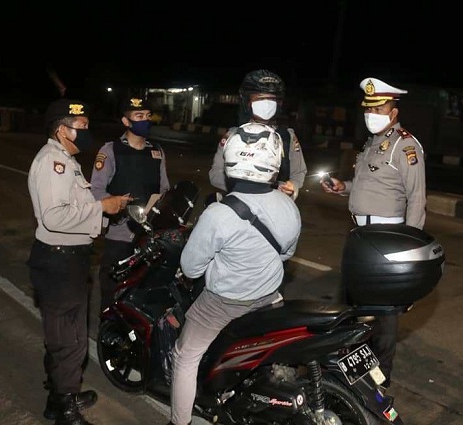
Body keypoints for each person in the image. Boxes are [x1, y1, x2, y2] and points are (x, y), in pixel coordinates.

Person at [168, 122, 302, 425]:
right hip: (269, 297)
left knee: (185, 355)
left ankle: (179, 422)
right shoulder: (289, 206)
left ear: (230, 157)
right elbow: (286, 254)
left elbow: (191, 268)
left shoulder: (218, 213)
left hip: (223, 304)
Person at [27, 98, 132, 425]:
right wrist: (101, 208)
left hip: (69, 261)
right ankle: (65, 409)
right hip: (58, 262)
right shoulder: (52, 163)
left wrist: (108, 209)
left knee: (67, 336)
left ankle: (59, 397)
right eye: (81, 126)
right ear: (62, 130)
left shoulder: (66, 161)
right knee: (68, 340)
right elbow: (54, 216)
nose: (87, 131)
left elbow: (76, 208)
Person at [320, 77, 426, 388]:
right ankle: (353, 369)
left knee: (384, 314)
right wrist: (343, 187)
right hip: (360, 236)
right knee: (353, 306)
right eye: (368, 109)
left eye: (378, 109)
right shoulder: (371, 143)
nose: (372, 114)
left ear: (393, 112)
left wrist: (408, 250)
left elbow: (417, 199)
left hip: (386, 239)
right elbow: (368, 185)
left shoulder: (406, 145)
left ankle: (380, 376)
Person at [90, 96, 170, 312]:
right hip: (120, 234)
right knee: (112, 290)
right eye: (138, 116)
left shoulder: (156, 152)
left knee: (143, 292)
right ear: (126, 121)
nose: (145, 120)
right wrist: (117, 206)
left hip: (148, 235)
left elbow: (165, 190)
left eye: (147, 116)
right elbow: (96, 190)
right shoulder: (110, 151)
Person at [209, 69, 307, 201]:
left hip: (274, 205)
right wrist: (250, 186)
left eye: (271, 99)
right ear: (248, 102)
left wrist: (292, 186)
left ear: (279, 103)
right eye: (260, 98)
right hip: (237, 204)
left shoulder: (287, 136)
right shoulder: (233, 135)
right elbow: (215, 174)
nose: (266, 104)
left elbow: (299, 173)